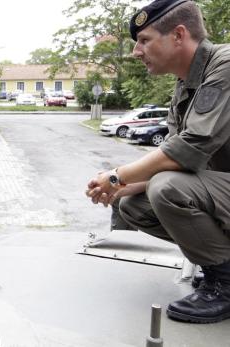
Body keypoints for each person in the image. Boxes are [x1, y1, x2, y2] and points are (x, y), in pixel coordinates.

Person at [86, 0, 230, 324]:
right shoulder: (186, 84)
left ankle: (225, 283)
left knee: (166, 189)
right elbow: (177, 159)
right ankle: (217, 264)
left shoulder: (226, 65)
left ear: (178, 35)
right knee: (133, 204)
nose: (137, 51)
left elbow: (191, 148)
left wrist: (116, 175)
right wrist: (120, 186)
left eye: (145, 40)